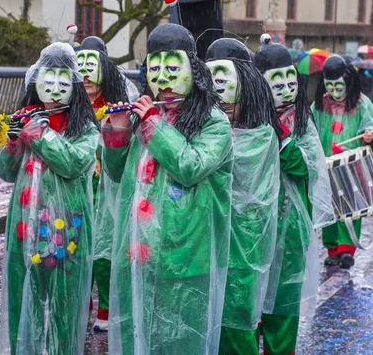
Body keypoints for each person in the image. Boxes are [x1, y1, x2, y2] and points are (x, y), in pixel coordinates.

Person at [103, 23, 233, 354]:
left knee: (181, 339)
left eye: (173, 69)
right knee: (141, 335)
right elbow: (117, 174)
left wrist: (152, 124)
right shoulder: (148, 115)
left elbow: (190, 167)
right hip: (140, 253)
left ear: (195, 71)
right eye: (156, 69)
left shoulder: (213, 122)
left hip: (187, 256)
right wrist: (117, 136)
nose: (163, 79)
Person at [0, 42, 99, 354]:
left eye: (63, 84)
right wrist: (13, 143)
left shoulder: (85, 128)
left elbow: (73, 163)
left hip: (65, 225)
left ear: (75, 89)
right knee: (21, 304)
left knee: (63, 312)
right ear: (35, 84)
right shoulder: (27, 119)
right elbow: (5, 171)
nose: (54, 92)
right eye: (47, 82)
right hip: (23, 227)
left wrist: (41, 134)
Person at [255, 42, 334, 355]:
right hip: (250, 232)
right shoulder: (243, 119)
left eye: (291, 83)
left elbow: (307, 167)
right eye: (277, 84)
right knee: (247, 307)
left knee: (283, 307)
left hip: (290, 234)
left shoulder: (301, 120)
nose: (287, 92)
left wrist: (282, 138)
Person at [204, 38, 281, 355]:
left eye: (223, 79)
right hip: (204, 244)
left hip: (242, 248)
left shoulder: (260, 135)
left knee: (235, 329)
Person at [77, 36, 131, 331]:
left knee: (105, 252)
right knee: (75, 248)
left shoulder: (116, 104)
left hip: (106, 186)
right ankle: (81, 304)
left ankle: (107, 308)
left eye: (91, 66)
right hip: (77, 187)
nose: (85, 73)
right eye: (79, 65)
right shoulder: (68, 102)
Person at [311, 55, 373, 269]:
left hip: (351, 166)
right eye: (330, 87)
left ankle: (347, 248)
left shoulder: (362, 104)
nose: (335, 93)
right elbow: (310, 128)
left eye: (339, 87)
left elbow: (369, 125)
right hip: (326, 165)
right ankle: (332, 248)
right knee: (330, 208)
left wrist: (368, 135)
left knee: (351, 205)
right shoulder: (319, 105)